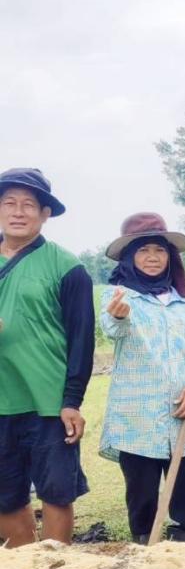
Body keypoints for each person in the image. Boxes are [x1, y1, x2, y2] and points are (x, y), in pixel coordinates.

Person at [98, 213, 185, 544]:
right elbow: (113, 327)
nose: (152, 258)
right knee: (142, 496)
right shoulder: (118, 297)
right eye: (143, 250)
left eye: (160, 250)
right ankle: (147, 551)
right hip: (137, 419)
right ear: (129, 257)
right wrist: (119, 316)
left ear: (171, 257)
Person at [0, 168, 93, 548]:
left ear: (45, 214)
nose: (18, 212)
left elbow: (82, 339)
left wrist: (72, 400)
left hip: (49, 401)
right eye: (9, 203)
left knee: (56, 491)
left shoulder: (67, 267)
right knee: (5, 494)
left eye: (28, 205)